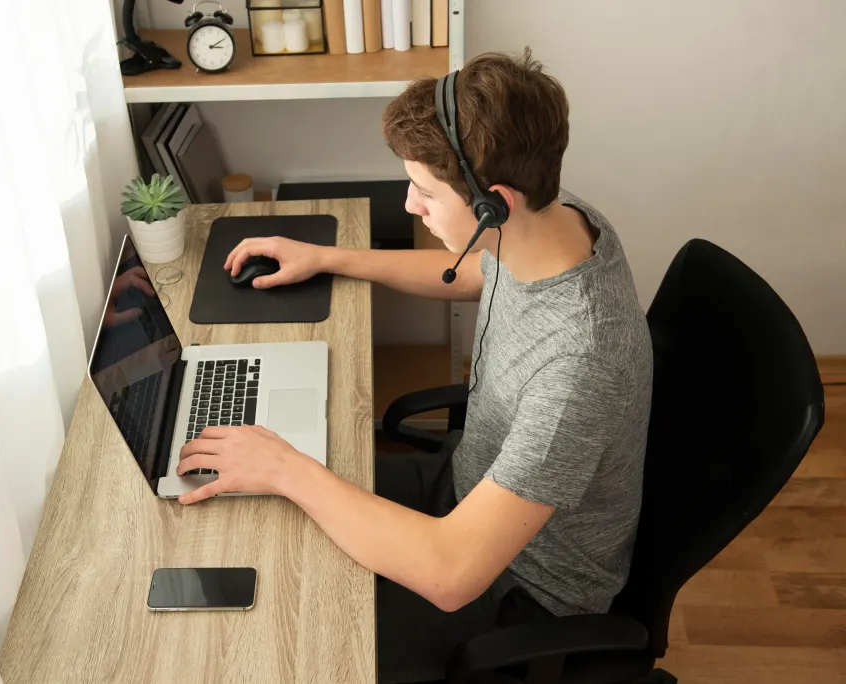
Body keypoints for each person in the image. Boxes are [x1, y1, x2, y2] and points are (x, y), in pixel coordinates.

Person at [176, 49, 653, 683]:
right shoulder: (558, 220)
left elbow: (453, 575)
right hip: (468, 486)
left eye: (425, 190)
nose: (409, 205)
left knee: (291, 639)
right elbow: (477, 271)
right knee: (273, 520)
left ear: (495, 204)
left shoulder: (577, 368)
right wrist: (330, 257)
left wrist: (283, 466)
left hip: (516, 590)